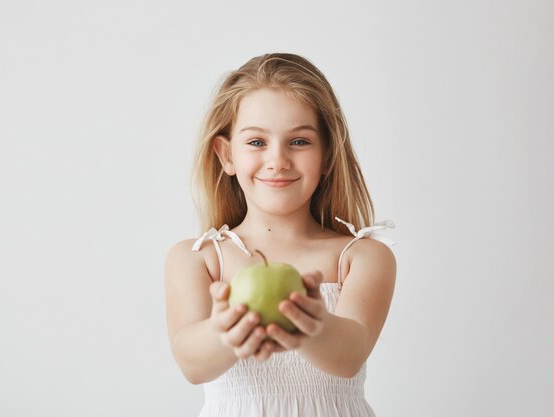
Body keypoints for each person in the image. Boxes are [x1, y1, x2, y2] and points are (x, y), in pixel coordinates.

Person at [165, 52, 397, 417]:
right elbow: (192, 365)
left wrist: (312, 325)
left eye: (299, 142)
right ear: (226, 155)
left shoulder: (361, 256)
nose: (278, 160)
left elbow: (350, 355)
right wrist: (226, 331)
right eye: (257, 142)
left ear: (327, 156)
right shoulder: (200, 258)